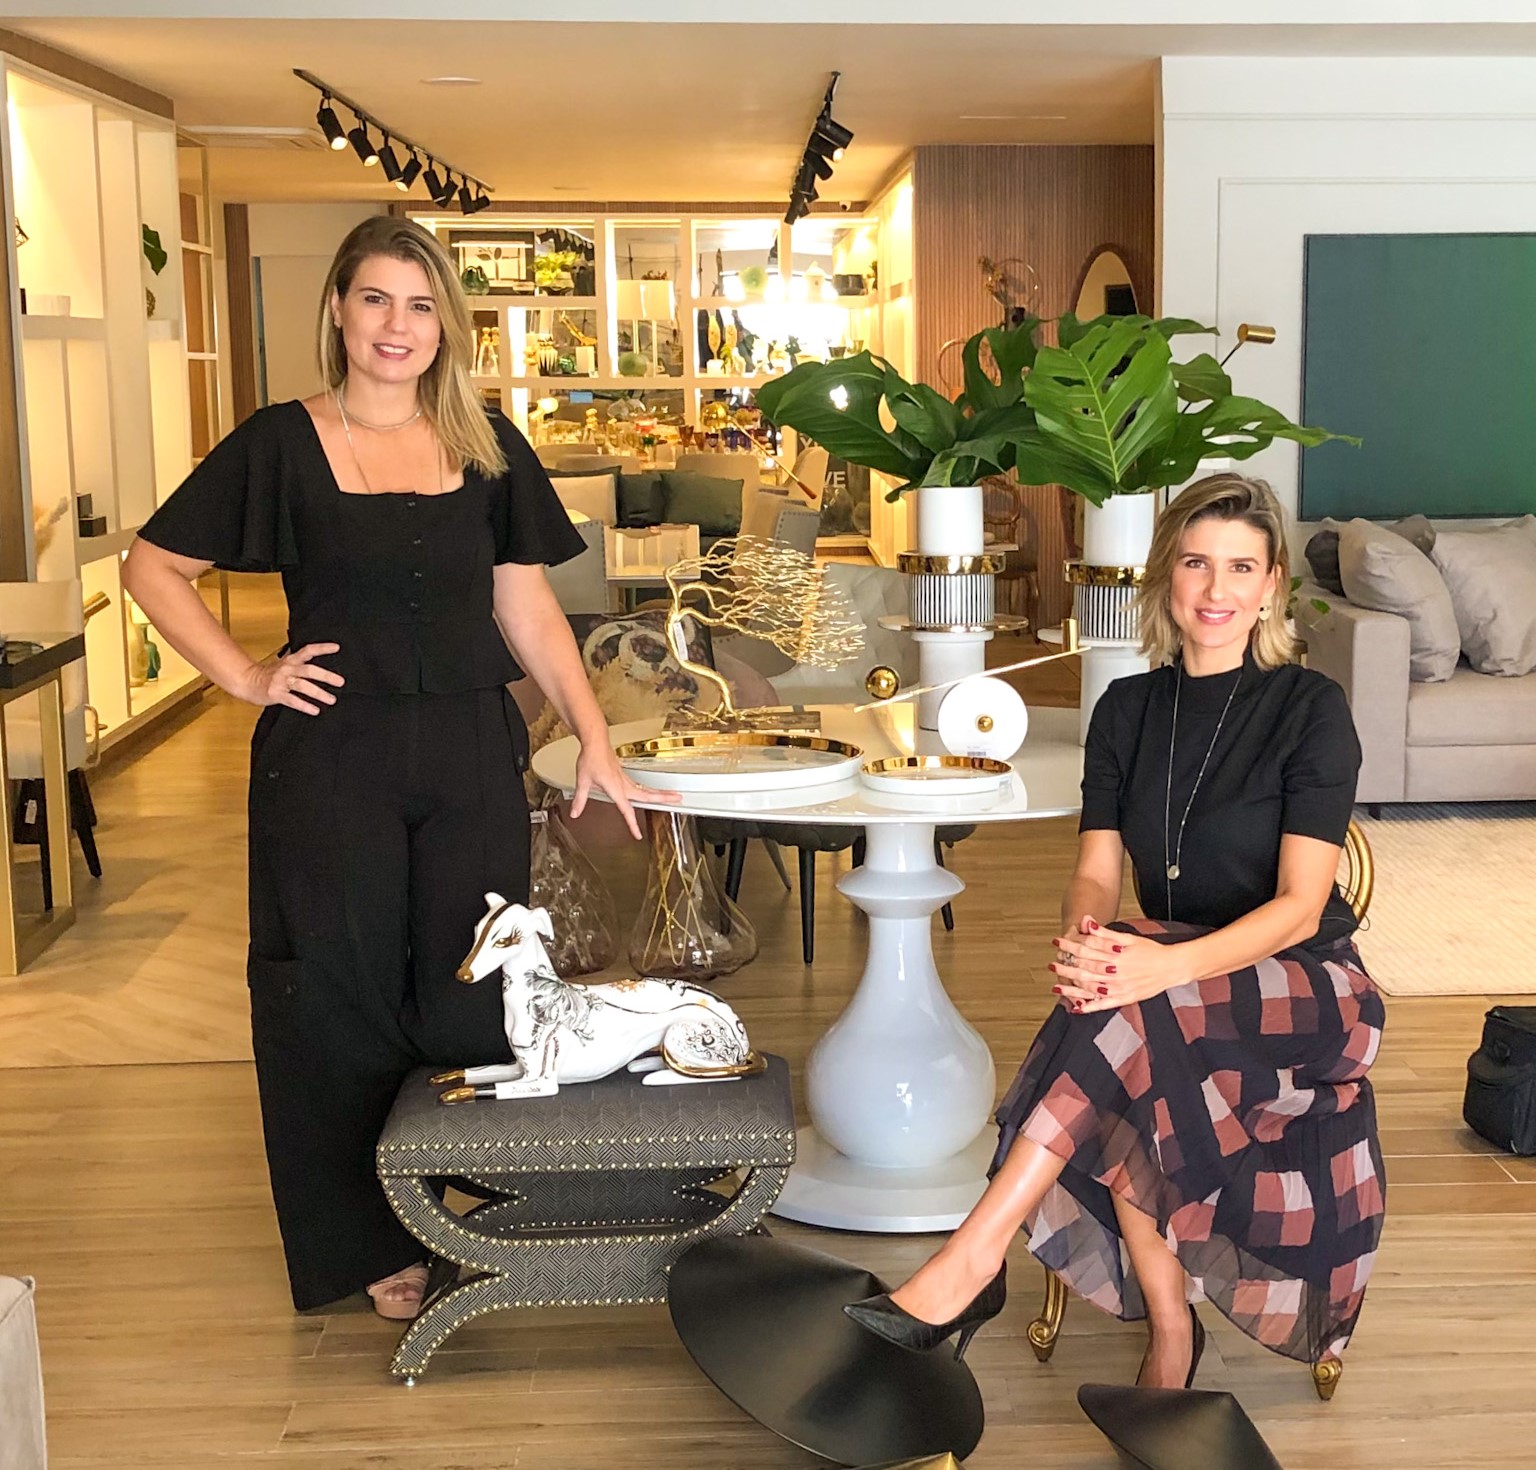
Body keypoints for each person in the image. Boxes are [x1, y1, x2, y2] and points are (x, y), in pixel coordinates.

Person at [122, 216, 668, 1320]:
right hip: (332, 753)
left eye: (420, 306)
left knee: (472, 984)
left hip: (469, 747)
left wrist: (594, 735)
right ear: (338, 308)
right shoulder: (281, 442)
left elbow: (524, 602)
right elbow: (152, 565)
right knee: (336, 993)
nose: (396, 325)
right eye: (375, 299)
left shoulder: (486, 440)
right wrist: (245, 675)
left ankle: (457, 1203)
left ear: (445, 325)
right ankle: (370, 1243)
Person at [845, 474, 1385, 1389]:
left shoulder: (1309, 708)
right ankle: (1168, 1334)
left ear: (1271, 586)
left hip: (1307, 980)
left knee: (1133, 1010)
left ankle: (974, 1261)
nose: (1216, 589)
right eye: (1197, 563)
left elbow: (1300, 905)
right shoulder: (1127, 712)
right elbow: (1096, 870)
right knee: (1128, 1025)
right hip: (1172, 974)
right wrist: (1091, 942)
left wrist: (1151, 970)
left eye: (1241, 568)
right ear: (1166, 575)